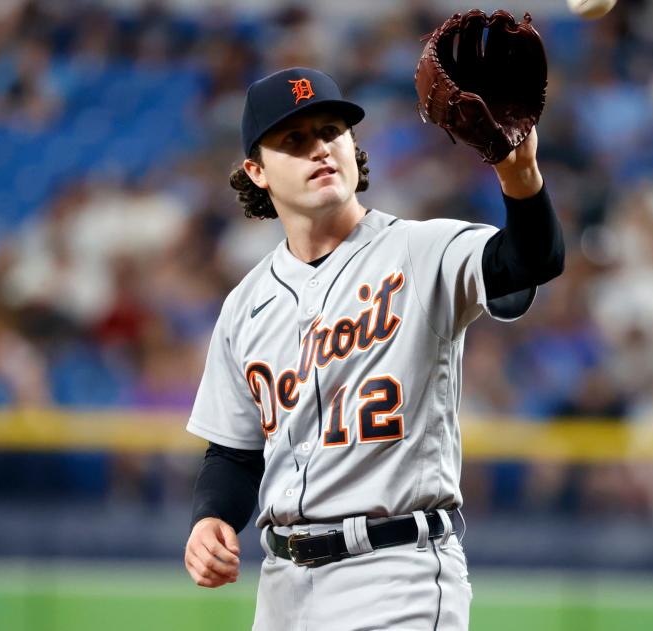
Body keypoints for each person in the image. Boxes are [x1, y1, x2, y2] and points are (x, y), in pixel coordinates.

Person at [182, 66, 564, 631]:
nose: (321, 149)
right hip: (283, 589)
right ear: (256, 172)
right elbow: (235, 453)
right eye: (295, 140)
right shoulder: (245, 304)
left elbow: (528, 261)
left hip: (396, 577)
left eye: (332, 131)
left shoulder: (420, 249)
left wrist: (521, 176)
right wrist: (210, 518)